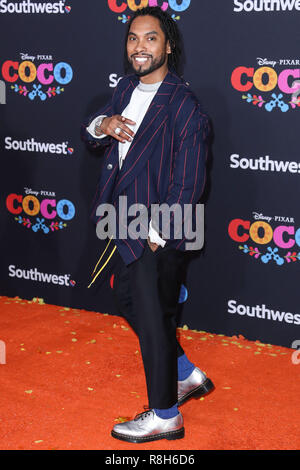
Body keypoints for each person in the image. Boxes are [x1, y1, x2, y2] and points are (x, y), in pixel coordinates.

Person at [81, 6, 214, 443]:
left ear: (168, 46)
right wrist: (105, 123)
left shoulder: (185, 106)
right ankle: (184, 374)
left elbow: (189, 183)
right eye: (133, 39)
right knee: (128, 298)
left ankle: (164, 415)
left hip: (161, 229)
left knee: (154, 317)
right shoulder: (124, 88)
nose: (140, 47)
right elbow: (90, 134)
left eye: (150, 38)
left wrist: (157, 238)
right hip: (123, 219)